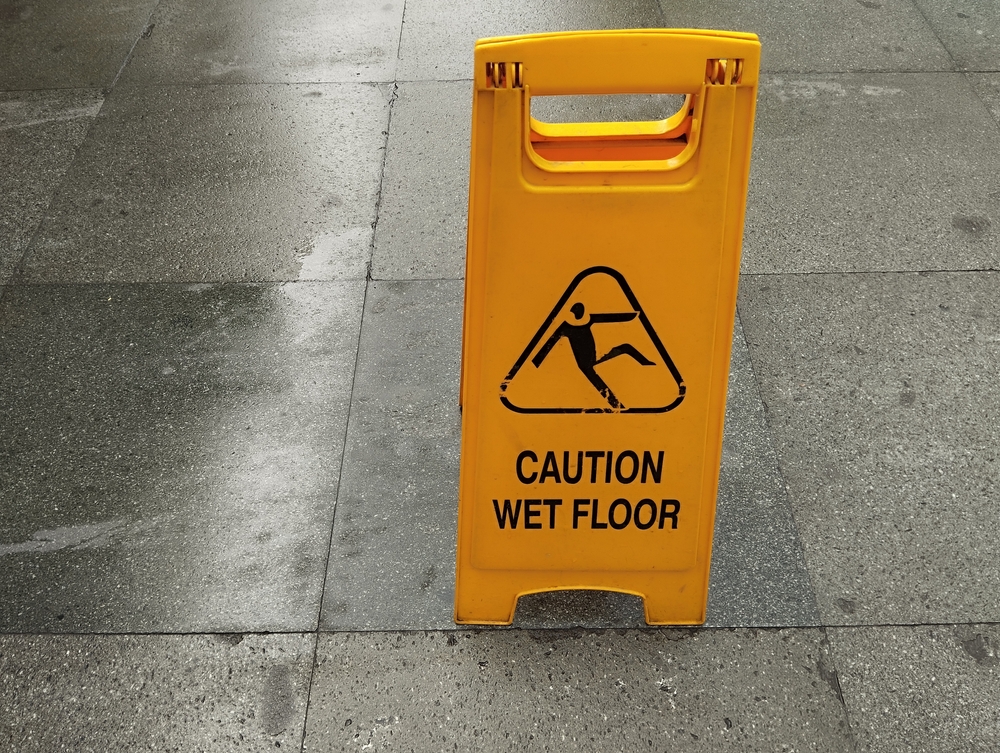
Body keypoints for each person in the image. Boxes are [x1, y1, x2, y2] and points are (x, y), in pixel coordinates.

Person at [532, 302, 654, 408]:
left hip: (594, 359)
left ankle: (648, 365)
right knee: (600, 385)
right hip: (584, 365)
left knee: (625, 347)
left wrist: (633, 315)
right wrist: (535, 363)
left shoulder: (588, 320)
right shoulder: (566, 328)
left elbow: (609, 318)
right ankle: (617, 405)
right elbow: (549, 343)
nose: (579, 313)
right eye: (576, 310)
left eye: (580, 310)